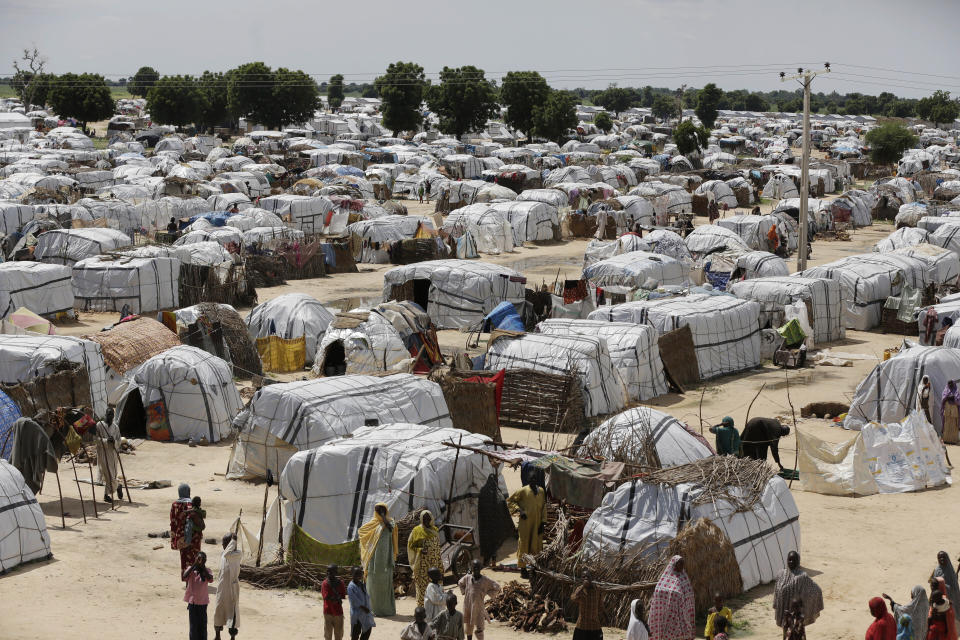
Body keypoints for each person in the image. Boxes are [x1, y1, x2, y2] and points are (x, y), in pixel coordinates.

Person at [357, 502, 398, 616]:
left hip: (386, 562)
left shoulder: (391, 523)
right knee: (373, 586)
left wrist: (384, 518)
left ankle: (385, 610)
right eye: (379, 511)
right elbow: (361, 532)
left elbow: (391, 530)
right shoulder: (372, 524)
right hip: (373, 561)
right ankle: (373, 609)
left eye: (382, 510)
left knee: (385, 586)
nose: (380, 513)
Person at [773, 551, 823, 631]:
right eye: (790, 560)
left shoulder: (802, 576)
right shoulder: (781, 574)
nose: (791, 562)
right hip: (784, 613)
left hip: (796, 615)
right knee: (787, 634)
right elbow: (776, 592)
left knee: (796, 635)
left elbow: (817, 590)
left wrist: (802, 601)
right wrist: (776, 606)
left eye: (794, 560)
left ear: (798, 562)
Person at [506, 479, 546, 578]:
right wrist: (519, 510)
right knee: (524, 545)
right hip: (525, 524)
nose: (532, 481)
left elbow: (544, 507)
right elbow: (510, 501)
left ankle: (534, 569)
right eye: (531, 480)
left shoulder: (541, 491)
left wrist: (543, 522)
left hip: (537, 524)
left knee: (536, 545)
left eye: (534, 479)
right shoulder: (523, 491)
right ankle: (523, 570)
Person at [649, 555, 695, 640]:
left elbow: (689, 594)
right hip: (666, 613)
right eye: (680, 563)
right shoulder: (665, 578)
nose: (682, 566)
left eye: (683, 564)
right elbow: (658, 591)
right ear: (674, 564)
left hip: (681, 613)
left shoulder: (684, 578)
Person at [458, 560, 500, 640]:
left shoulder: (485, 580)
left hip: (479, 607)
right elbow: (460, 583)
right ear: (471, 568)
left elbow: (497, 587)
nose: (476, 569)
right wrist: (464, 592)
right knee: (469, 627)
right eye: (474, 567)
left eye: (478, 567)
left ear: (481, 568)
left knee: (480, 627)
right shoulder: (467, 578)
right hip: (468, 606)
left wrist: (488, 592)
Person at [408, 511, 442, 607]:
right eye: (424, 518)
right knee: (423, 588)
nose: (427, 520)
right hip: (422, 565)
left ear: (431, 519)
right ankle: (422, 609)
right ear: (421, 519)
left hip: (434, 564)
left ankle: (434, 609)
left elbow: (437, 548)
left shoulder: (435, 530)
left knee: (434, 587)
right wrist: (420, 550)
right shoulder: (416, 531)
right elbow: (410, 546)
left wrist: (440, 564)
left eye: (428, 518)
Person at [214, 533, 241, 640]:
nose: (222, 545)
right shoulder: (223, 554)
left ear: (231, 544)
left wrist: (233, 541)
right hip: (221, 588)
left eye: (225, 543)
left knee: (232, 614)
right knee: (218, 612)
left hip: (231, 590)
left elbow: (228, 554)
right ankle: (217, 636)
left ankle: (232, 637)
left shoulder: (237, 554)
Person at [94, 407, 122, 504]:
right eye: (108, 414)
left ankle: (111, 491)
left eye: (112, 415)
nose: (110, 416)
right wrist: (105, 441)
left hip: (112, 454)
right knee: (107, 474)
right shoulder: (99, 425)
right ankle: (113, 489)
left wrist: (114, 442)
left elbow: (119, 440)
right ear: (106, 414)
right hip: (102, 453)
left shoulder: (116, 427)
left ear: (113, 416)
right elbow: (96, 439)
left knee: (112, 474)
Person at [184, 551, 214, 640]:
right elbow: (184, 576)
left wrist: (202, 568)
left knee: (202, 625)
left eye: (203, 559)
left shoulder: (207, 571)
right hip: (192, 603)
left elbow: (210, 579)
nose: (201, 561)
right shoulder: (191, 570)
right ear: (196, 559)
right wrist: (194, 565)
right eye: (199, 559)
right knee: (193, 626)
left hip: (203, 603)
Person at [171, 483, 195, 580]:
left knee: (184, 557)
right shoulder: (190, 504)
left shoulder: (174, 504)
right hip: (193, 535)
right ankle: (193, 579)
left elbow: (172, 521)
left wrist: (174, 537)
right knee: (193, 556)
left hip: (180, 535)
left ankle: (185, 577)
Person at [570, 570, 603, 640]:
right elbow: (573, 598)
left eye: (587, 576)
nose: (586, 578)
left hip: (595, 625)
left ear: (591, 578)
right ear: (581, 579)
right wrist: (582, 587)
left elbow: (600, 605)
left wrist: (605, 615)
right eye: (583, 577)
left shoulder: (597, 589)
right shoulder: (580, 589)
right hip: (582, 625)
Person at [348, 566, 375, 640]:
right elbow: (354, 601)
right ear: (352, 574)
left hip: (365, 613)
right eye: (356, 574)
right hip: (357, 614)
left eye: (360, 574)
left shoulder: (361, 584)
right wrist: (364, 608)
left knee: (367, 630)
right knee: (355, 634)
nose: (358, 576)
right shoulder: (351, 587)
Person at [933, 551, 960, 625]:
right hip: (939, 599)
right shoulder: (937, 570)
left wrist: (944, 586)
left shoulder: (950, 571)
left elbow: (955, 589)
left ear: (947, 558)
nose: (941, 559)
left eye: (943, 557)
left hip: (950, 599)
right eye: (939, 558)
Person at [321, 564, 347, 640]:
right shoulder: (325, 583)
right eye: (328, 572)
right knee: (328, 635)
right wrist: (336, 598)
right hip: (328, 611)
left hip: (338, 612)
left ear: (336, 573)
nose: (330, 573)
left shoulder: (340, 583)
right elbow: (326, 597)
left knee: (339, 635)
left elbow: (343, 595)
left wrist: (335, 598)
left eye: (332, 572)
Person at [184, 495, 206, 562]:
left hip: (193, 534)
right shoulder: (200, 511)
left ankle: (193, 563)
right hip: (199, 534)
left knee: (191, 550)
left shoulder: (192, 512)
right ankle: (197, 562)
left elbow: (187, 515)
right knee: (197, 549)